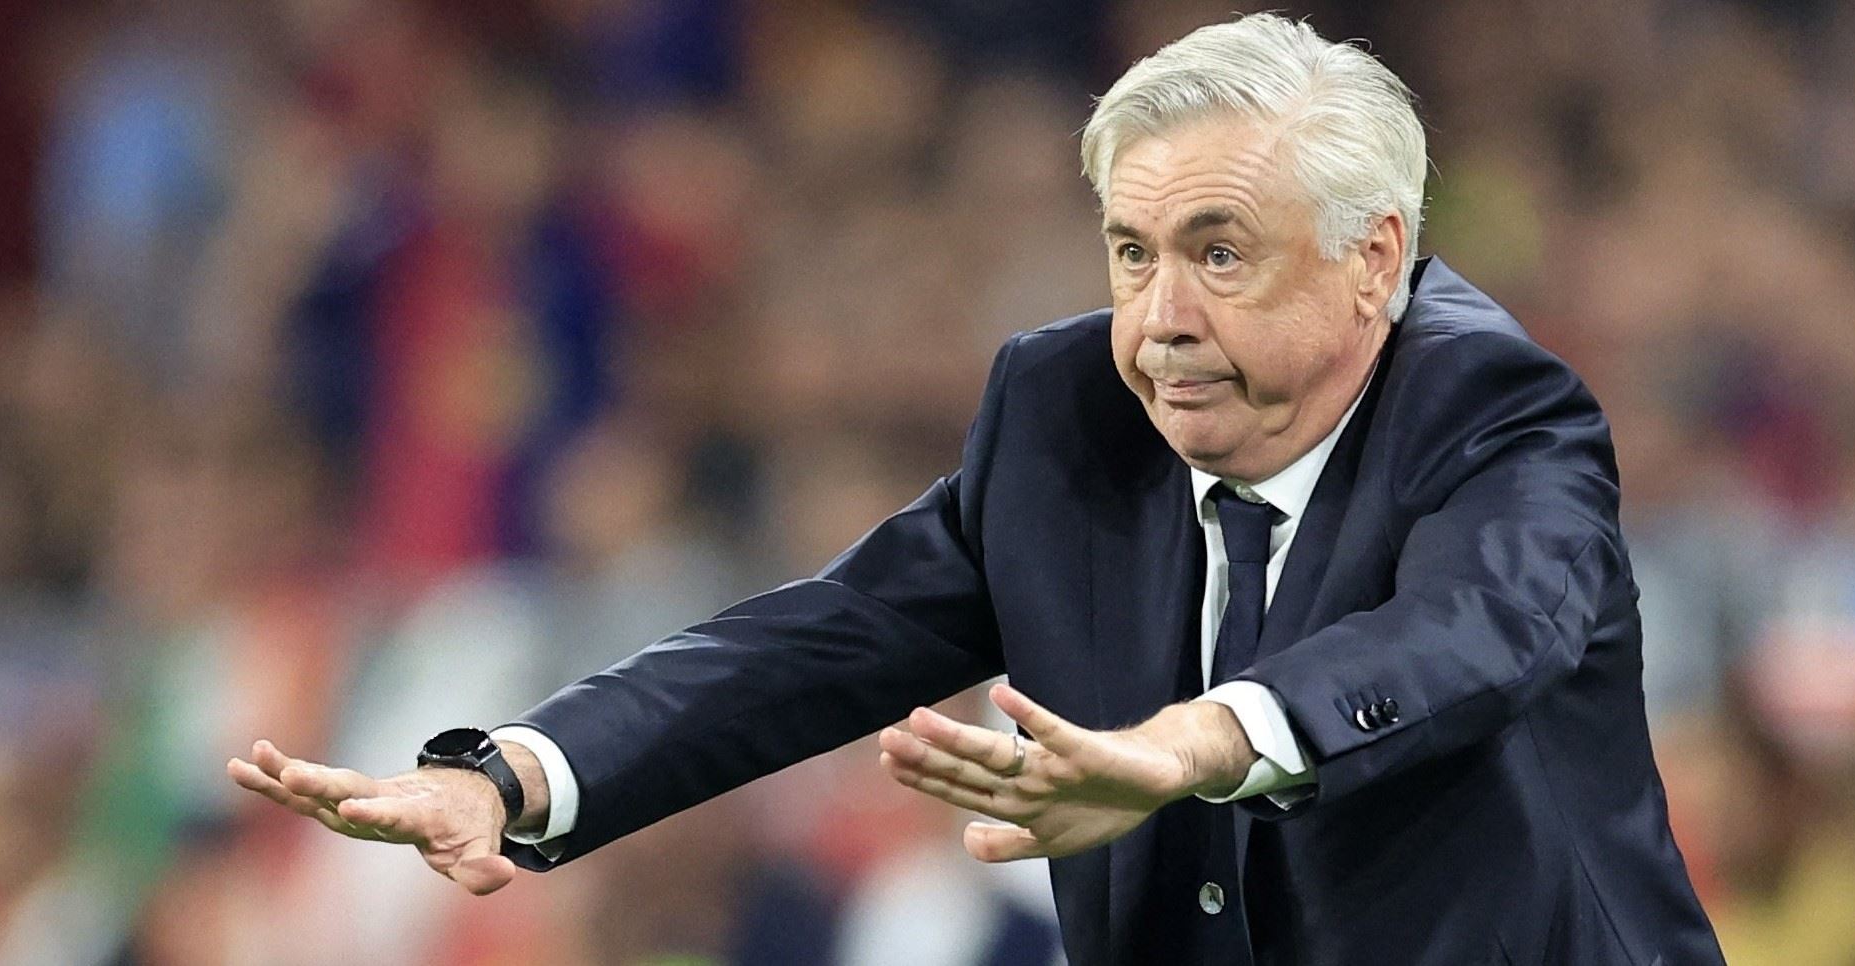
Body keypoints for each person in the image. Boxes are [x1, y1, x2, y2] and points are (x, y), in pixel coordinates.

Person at [230, 14, 1721, 965]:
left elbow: (1473, 635)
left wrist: (1196, 741)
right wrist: (510, 774)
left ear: (1373, 259)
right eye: (1132, 253)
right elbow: (819, 640)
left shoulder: (1496, 408)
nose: (1159, 318)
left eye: (1218, 252)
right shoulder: (1067, 412)